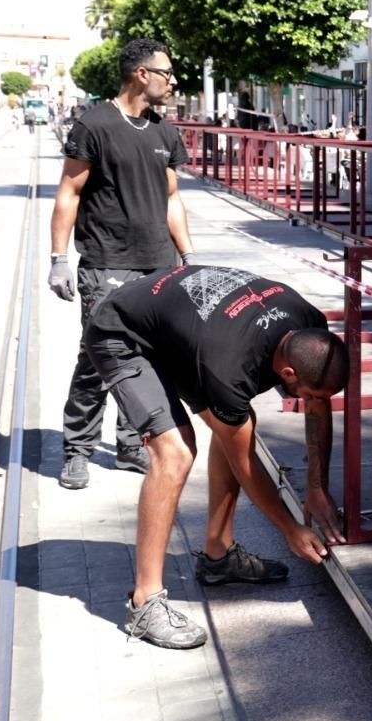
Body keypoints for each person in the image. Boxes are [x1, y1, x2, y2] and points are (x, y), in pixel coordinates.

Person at [83, 265, 347, 649]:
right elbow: (246, 466)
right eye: (307, 393)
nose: (314, 404)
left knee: (238, 424)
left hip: (186, 330)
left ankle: (218, 556)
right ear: (288, 372)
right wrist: (290, 528)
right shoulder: (230, 366)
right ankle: (145, 600)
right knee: (175, 452)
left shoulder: (312, 329)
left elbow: (316, 408)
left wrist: (317, 487)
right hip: (122, 333)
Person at [49, 38, 197, 491]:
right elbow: (69, 192)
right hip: (107, 261)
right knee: (97, 358)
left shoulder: (164, 132)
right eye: (166, 73)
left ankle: (133, 442)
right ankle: (77, 449)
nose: (172, 81)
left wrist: (188, 256)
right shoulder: (93, 125)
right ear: (141, 74)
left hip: (158, 265)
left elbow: (172, 199)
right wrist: (59, 259)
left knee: (149, 361)